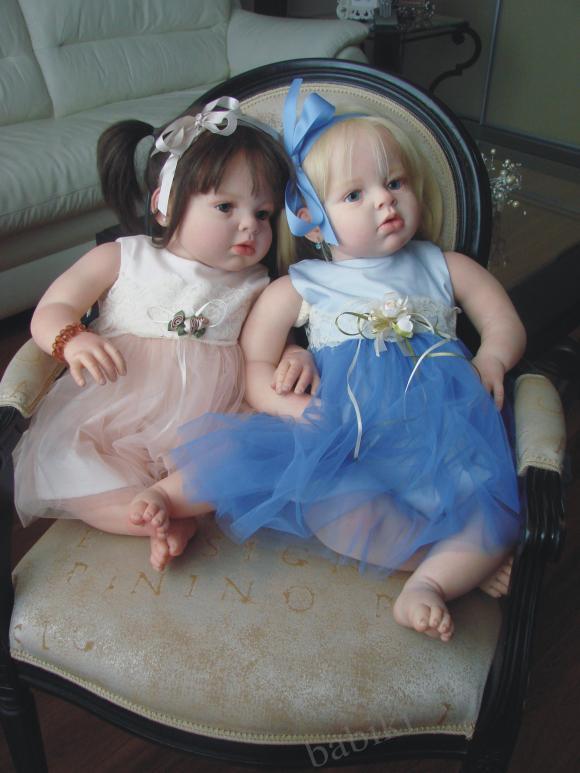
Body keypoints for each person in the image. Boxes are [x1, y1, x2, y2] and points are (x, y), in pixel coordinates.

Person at [137, 80, 526, 640]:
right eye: (354, 195)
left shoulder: (443, 265)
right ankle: (435, 573)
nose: (385, 201)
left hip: (445, 433)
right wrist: (287, 404)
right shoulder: (302, 285)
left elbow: (502, 320)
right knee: (326, 507)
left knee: (497, 515)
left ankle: (433, 580)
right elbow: (253, 364)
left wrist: (492, 357)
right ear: (311, 219)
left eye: (395, 183)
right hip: (343, 438)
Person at [13, 95, 318, 572]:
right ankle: (152, 518)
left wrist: (295, 355)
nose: (249, 225)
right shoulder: (123, 257)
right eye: (225, 206)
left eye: (263, 213)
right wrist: (71, 338)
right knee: (66, 464)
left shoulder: (256, 283)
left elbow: (270, 341)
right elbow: (52, 307)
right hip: (115, 408)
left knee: (248, 454)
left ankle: (168, 501)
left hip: (210, 418)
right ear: (165, 204)